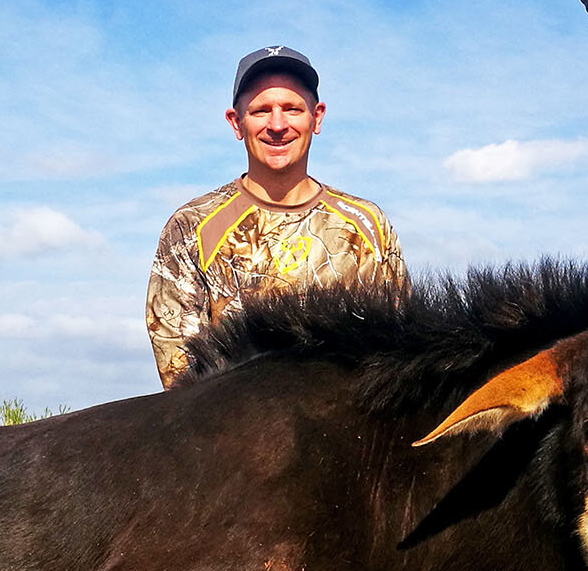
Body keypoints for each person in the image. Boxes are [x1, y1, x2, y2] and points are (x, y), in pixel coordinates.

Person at [146, 45, 407, 387]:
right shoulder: (191, 226)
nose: (278, 125)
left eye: (292, 108)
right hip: (230, 432)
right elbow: (180, 377)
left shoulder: (369, 227)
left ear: (317, 117)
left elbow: (396, 357)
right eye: (261, 111)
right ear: (236, 123)